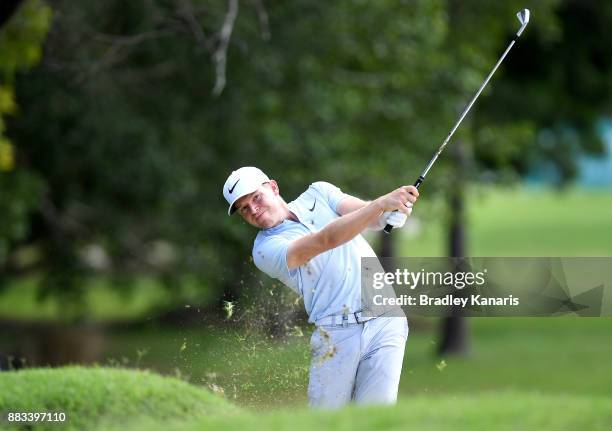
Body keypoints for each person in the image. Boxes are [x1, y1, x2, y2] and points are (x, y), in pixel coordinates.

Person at [222, 166, 419, 408]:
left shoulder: (319, 193)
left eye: (256, 198)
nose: (253, 209)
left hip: (385, 320)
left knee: (377, 419)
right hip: (336, 334)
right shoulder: (265, 249)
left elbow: (369, 217)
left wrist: (390, 211)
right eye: (244, 209)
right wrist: (380, 204)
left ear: (273, 187)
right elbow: (326, 240)